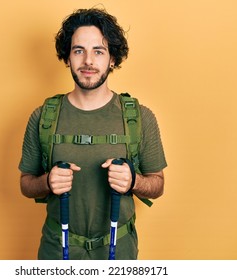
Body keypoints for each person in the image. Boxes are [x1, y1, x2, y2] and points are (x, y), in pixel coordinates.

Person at [19, 8, 167, 260]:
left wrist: (133, 182)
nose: (88, 61)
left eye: (98, 51)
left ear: (112, 59)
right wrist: (47, 182)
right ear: (67, 57)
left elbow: (158, 184)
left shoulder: (140, 117)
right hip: (57, 250)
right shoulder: (43, 117)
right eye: (79, 51)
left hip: (118, 251)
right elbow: (26, 184)